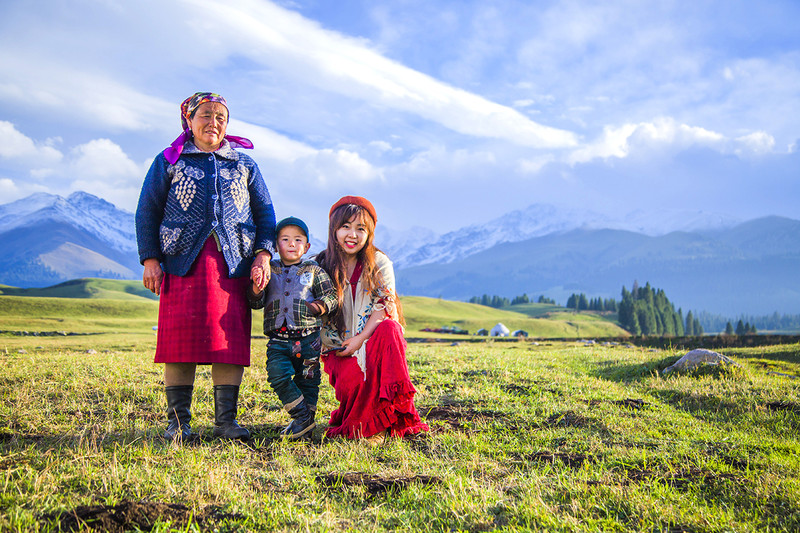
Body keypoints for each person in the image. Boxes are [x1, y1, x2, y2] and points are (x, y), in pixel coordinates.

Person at [135, 92, 276, 442]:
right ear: (188, 119)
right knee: (178, 344)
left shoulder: (244, 165)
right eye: (206, 115)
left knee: (227, 343)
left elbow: (265, 214)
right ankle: (178, 424)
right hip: (182, 264)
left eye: (221, 117)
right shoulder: (169, 162)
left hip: (233, 266)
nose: (213, 122)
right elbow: (147, 211)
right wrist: (150, 259)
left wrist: (263, 254)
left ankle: (225, 422)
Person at [317, 196, 428, 444]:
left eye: (360, 228)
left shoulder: (379, 262)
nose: (352, 235)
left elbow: (384, 306)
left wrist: (360, 339)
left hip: (373, 338)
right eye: (345, 226)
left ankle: (378, 426)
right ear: (334, 229)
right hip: (339, 346)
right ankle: (371, 423)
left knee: (390, 328)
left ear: (370, 233)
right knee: (354, 381)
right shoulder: (320, 264)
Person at [247, 217, 338, 440]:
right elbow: (256, 303)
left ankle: (303, 427)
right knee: (277, 375)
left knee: (308, 379)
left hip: (309, 339)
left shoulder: (314, 270)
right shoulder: (270, 270)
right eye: (285, 239)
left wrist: (318, 307)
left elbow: (332, 296)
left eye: (298, 239)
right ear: (276, 245)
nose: (291, 244)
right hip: (278, 339)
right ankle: (302, 417)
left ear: (306, 246)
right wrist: (257, 290)